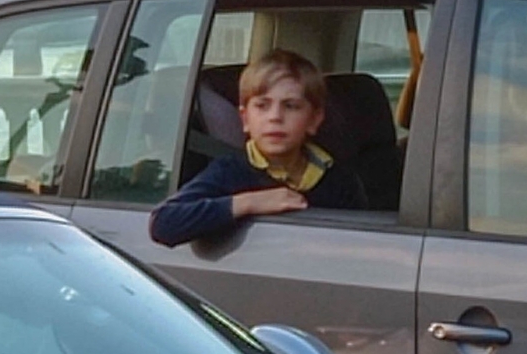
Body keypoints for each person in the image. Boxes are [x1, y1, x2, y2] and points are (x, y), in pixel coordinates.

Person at [148, 49, 367, 247]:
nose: (275, 117)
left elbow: (360, 244)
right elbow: (163, 223)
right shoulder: (230, 171)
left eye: (291, 106)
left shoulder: (340, 180)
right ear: (245, 118)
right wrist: (250, 202)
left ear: (314, 120)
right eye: (262, 106)